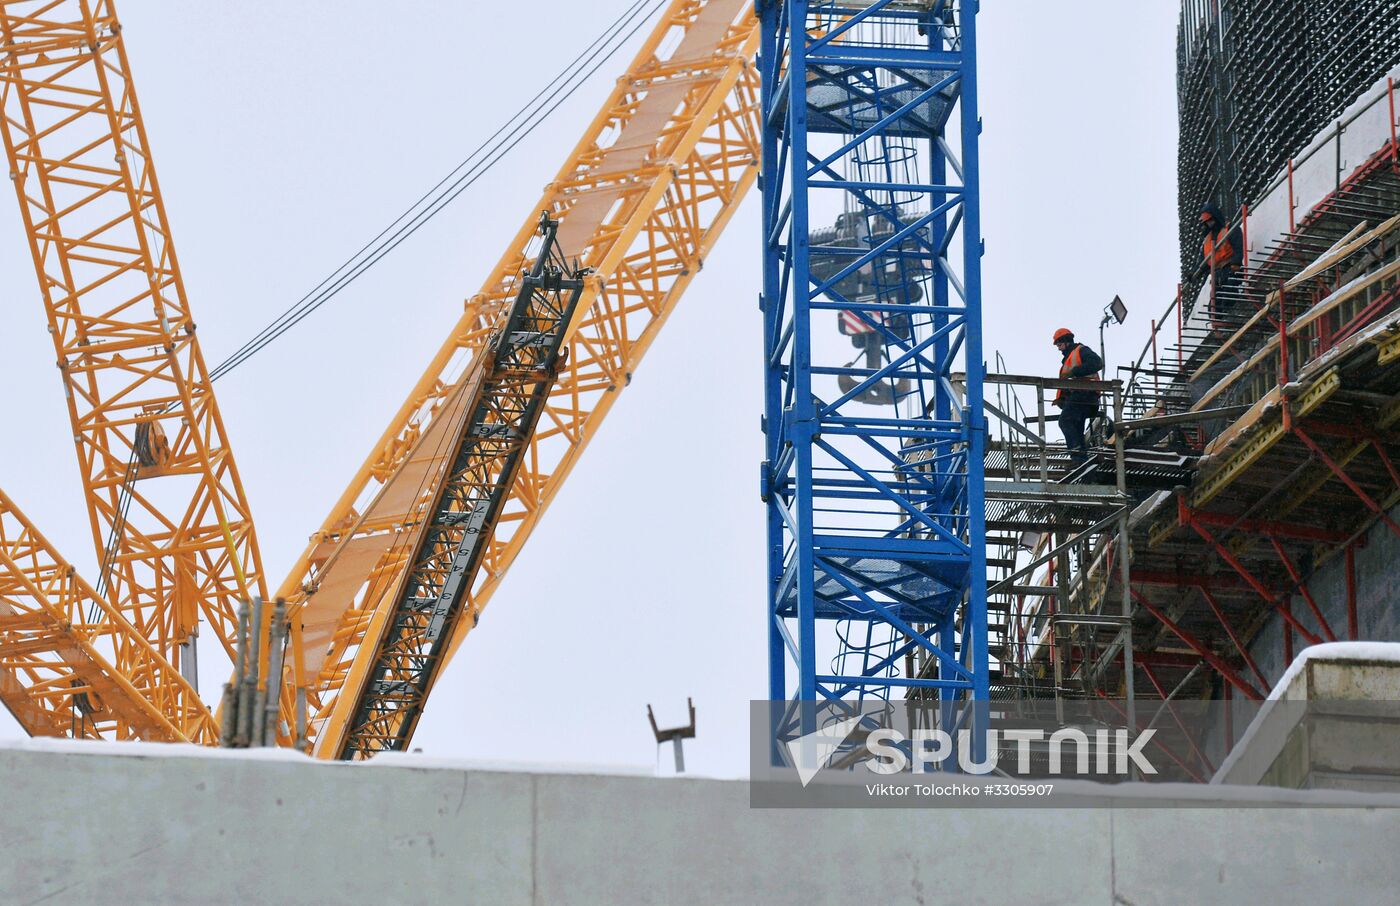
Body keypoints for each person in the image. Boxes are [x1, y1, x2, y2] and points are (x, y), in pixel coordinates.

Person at [1051, 328, 1103, 465]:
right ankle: (1080, 460)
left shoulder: (1081, 350)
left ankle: (1077, 455)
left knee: (1065, 422)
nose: (1058, 349)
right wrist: (1062, 399)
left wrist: (1075, 372)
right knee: (1076, 428)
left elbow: (1097, 363)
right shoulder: (1068, 358)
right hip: (1080, 398)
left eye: (1059, 345)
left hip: (1085, 395)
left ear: (1066, 341)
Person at [1199, 202, 1243, 316]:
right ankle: (1222, 327)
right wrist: (1193, 274)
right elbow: (1202, 262)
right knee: (1214, 310)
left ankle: (1233, 319)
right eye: (1206, 222)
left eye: (1209, 220)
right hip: (1218, 275)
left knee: (1229, 296)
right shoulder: (1207, 239)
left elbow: (1238, 246)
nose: (1208, 223)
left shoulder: (1229, 228)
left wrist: (1236, 263)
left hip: (1230, 269)